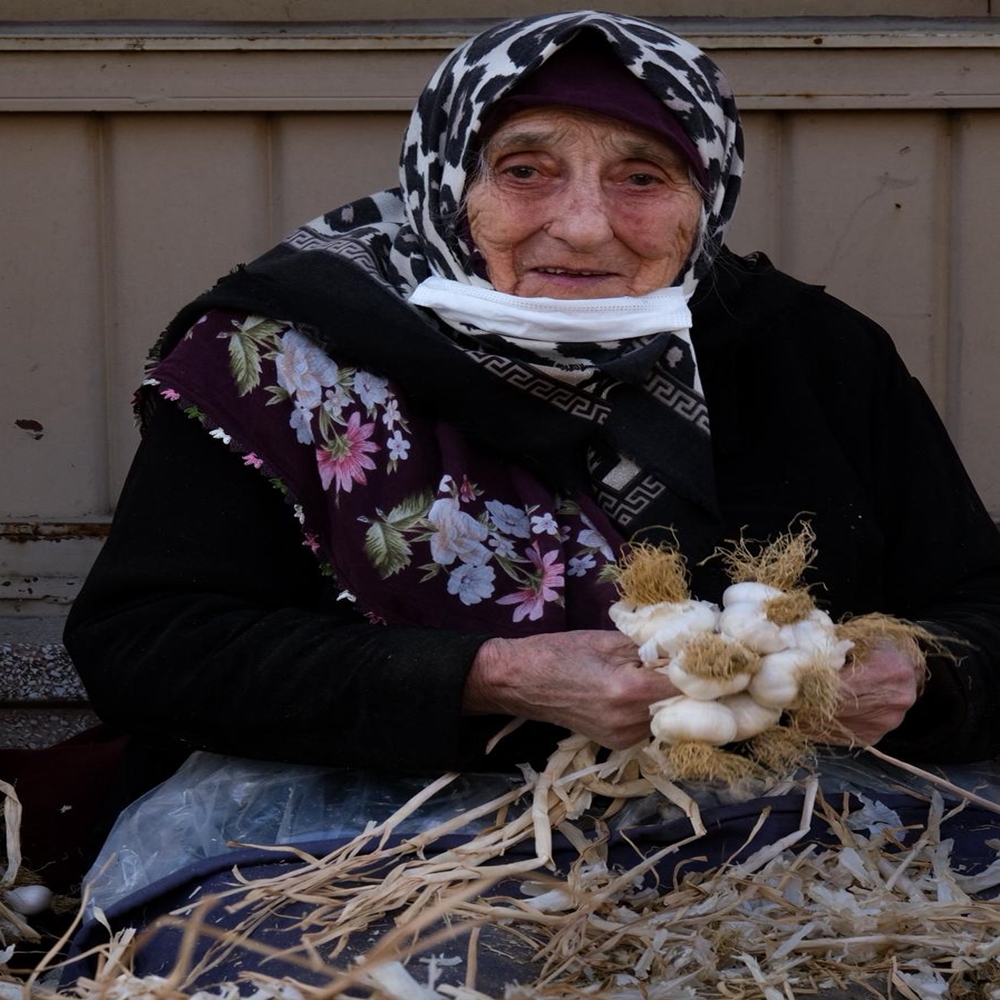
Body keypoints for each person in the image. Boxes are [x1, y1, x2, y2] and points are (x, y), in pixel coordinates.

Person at [64, 10, 1000, 829]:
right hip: (365, 833)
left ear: (706, 197)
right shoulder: (285, 356)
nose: (585, 226)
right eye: (525, 170)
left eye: (643, 177)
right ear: (446, 181)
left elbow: (981, 605)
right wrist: (490, 676)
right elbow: (147, 645)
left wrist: (922, 675)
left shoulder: (810, 352)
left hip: (788, 826)